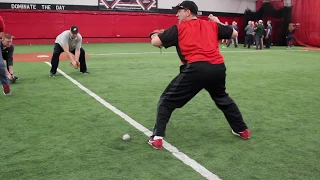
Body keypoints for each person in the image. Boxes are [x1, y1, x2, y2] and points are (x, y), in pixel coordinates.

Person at [148, 0, 250, 150]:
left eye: (179, 11)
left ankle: (157, 138)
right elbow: (234, 33)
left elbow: (155, 42)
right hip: (217, 68)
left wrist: (154, 34)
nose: (176, 14)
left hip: (196, 68)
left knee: (166, 101)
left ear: (188, 12)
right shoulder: (212, 25)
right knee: (222, 97)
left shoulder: (179, 28)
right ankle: (242, 130)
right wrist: (218, 21)